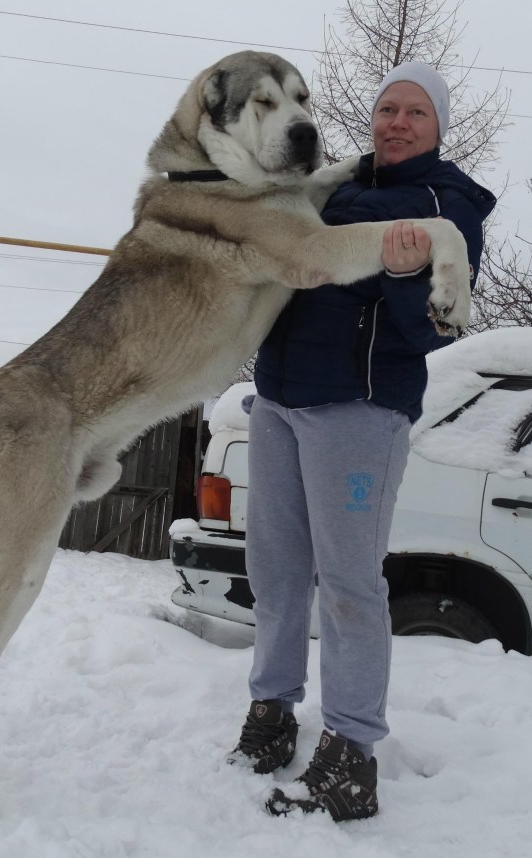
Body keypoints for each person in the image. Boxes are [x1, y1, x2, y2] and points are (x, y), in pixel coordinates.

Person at [228, 62, 496, 821]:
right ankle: (271, 712)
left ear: (437, 128)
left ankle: (351, 753)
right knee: (275, 570)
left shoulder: (448, 208)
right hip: (279, 398)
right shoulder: (335, 190)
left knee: (348, 585)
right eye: (388, 109)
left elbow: (430, 330)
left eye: (416, 112)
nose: (397, 122)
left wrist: (410, 276)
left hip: (358, 410)